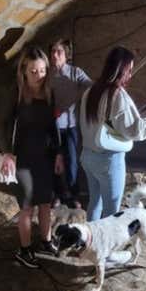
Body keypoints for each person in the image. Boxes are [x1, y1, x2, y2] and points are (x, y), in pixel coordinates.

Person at [0, 47, 65, 269]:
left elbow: (54, 126)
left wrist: (58, 153)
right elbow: (4, 123)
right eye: (34, 71)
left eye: (43, 71)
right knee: (27, 206)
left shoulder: (49, 92)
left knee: (45, 203)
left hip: (45, 155)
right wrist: (7, 153)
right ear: (24, 71)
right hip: (23, 157)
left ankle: (45, 241)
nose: (39, 75)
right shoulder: (16, 91)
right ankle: (24, 250)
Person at [80, 46, 146, 224]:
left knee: (94, 203)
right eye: (129, 70)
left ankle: (90, 246)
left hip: (87, 156)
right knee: (111, 210)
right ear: (120, 69)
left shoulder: (90, 91)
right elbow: (137, 131)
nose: (131, 75)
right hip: (108, 161)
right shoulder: (118, 96)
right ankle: (106, 251)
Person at [49, 39, 92, 208]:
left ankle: (73, 195)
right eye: (52, 51)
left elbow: (91, 86)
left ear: (66, 55)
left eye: (58, 52)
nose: (54, 55)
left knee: (72, 161)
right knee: (54, 162)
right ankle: (57, 194)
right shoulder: (47, 75)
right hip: (53, 127)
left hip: (72, 126)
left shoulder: (75, 73)